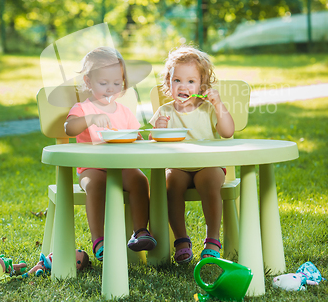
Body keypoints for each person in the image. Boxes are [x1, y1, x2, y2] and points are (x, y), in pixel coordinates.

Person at [64, 47, 157, 261]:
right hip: (92, 167)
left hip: (122, 166)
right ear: (88, 82)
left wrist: (140, 139)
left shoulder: (124, 112)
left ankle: (140, 231)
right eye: (103, 84)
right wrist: (91, 120)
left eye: (117, 84)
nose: (110, 89)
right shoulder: (83, 108)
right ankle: (100, 241)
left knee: (140, 180)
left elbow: (135, 137)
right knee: (95, 185)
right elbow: (69, 128)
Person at [149, 45, 234, 264]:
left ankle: (212, 240)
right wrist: (157, 130)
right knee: (170, 184)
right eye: (177, 80)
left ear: (202, 85)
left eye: (190, 81)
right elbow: (152, 145)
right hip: (178, 167)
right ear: (168, 83)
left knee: (209, 181)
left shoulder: (207, 109)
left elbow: (227, 131)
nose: (183, 86)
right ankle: (182, 241)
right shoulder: (165, 111)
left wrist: (218, 104)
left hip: (209, 165)